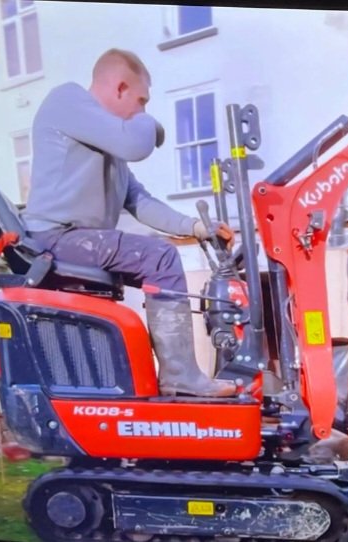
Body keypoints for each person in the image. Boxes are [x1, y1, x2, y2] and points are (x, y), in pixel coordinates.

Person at [22, 48, 237, 398]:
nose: (142, 111)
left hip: (76, 239)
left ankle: (175, 375)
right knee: (160, 258)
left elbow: (140, 201)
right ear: (120, 88)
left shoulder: (107, 147)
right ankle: (180, 376)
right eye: (141, 101)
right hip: (55, 237)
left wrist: (197, 227)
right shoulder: (67, 100)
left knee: (158, 256)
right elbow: (136, 143)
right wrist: (150, 124)